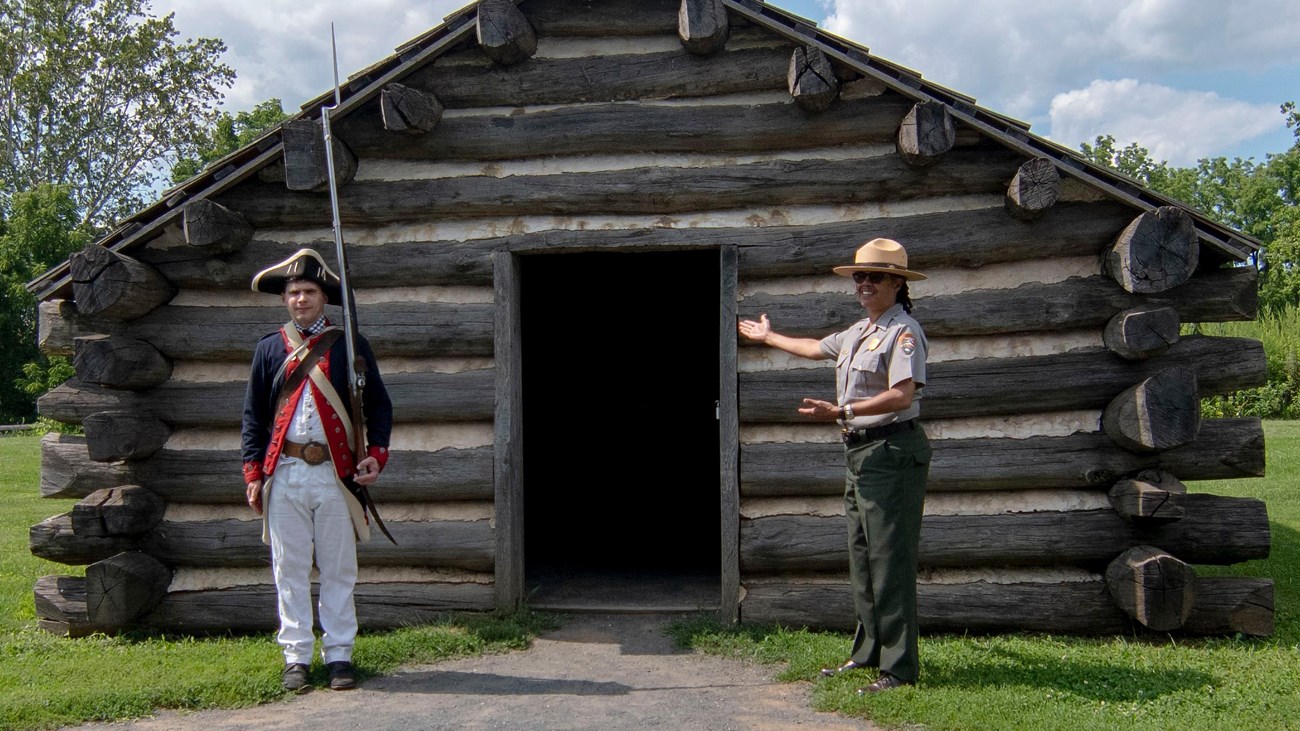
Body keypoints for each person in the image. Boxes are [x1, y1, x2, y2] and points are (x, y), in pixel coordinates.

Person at [738, 238, 931, 694]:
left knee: (890, 563)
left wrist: (843, 412)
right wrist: (769, 337)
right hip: (861, 454)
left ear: (897, 283)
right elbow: (811, 347)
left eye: (875, 276)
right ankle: (867, 655)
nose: (864, 283)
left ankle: (899, 668)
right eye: (860, 276)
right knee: (863, 560)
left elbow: (903, 395)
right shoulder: (859, 331)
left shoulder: (903, 332)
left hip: (892, 452)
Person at [241, 248, 393, 693]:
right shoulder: (270, 349)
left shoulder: (350, 345)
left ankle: (340, 656)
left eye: (308, 291)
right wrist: (253, 473)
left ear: (323, 297)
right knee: (288, 569)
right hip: (285, 471)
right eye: (293, 293)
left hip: (334, 474)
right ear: (285, 299)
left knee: (338, 568)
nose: (300, 299)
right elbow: (254, 416)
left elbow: (379, 406)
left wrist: (376, 455)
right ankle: (296, 658)